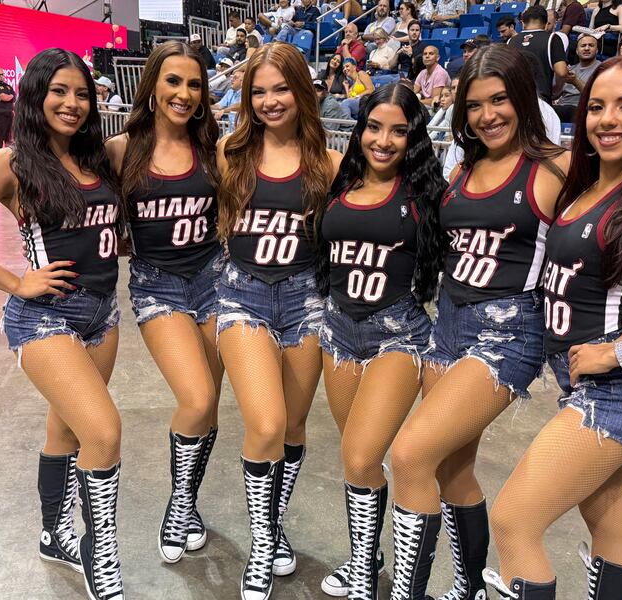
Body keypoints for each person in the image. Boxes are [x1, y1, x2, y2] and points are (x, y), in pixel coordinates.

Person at [484, 54, 622, 600]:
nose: (608, 119)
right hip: (582, 384)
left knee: (514, 520)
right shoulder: (584, 185)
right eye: (598, 106)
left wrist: (619, 355)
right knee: (608, 526)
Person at [0, 48, 125, 600]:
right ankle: (97, 551)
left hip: (103, 315)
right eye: (58, 91)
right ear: (34, 96)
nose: (71, 103)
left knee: (67, 428)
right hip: (45, 317)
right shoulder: (12, 162)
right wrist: (17, 282)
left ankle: (53, 534)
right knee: (104, 432)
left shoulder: (97, 158)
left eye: (82, 93)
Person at [388, 44, 569, 600]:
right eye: (474, 104)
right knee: (451, 470)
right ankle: (467, 586)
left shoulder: (554, 167)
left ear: (523, 99)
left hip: (509, 331)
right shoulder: (465, 167)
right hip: (448, 323)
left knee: (410, 454)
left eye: (500, 100)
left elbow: (616, 225)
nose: (488, 114)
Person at [215, 42, 342, 600]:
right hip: (242, 296)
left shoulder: (332, 163)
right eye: (258, 91)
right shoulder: (229, 152)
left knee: (292, 428)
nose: (270, 100)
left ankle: (273, 525)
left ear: (303, 91)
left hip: (308, 301)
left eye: (281, 88)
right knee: (264, 425)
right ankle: (262, 542)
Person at [317, 82, 445, 600]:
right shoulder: (335, 178)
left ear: (414, 137)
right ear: (360, 128)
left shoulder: (428, 194)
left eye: (399, 130)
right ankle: (364, 563)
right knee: (359, 460)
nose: (384, 140)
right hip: (337, 332)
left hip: (398, 335)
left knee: (361, 451)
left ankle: (391, 581)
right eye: (374, 126)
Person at [103, 40, 224, 566]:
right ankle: (178, 505)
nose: (183, 92)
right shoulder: (119, 149)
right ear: (151, 85)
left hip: (219, 281)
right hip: (158, 286)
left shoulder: (214, 144)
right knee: (195, 399)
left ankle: (188, 502)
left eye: (194, 84)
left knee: (210, 406)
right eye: (173, 81)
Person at [509, 5, 568, 102]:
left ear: (523, 23)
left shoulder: (511, 41)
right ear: (545, 24)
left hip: (515, 100)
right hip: (540, 100)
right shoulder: (553, 38)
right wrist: (556, 91)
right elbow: (562, 72)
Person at [554, 34, 601, 122]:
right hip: (562, 107)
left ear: (597, 50)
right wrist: (559, 78)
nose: (586, 48)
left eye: (591, 45)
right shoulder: (569, 69)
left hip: (583, 108)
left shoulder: (602, 69)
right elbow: (554, 95)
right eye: (583, 46)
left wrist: (575, 81)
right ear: (577, 51)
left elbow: (596, 96)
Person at [0, 67, 15, 149]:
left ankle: (9, 156)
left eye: (2, 74)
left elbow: (14, 96)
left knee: (10, 137)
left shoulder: (8, 86)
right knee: (0, 136)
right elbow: (4, 97)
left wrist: (10, 96)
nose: (2, 76)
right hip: (0, 114)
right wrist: (10, 96)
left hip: (9, 113)